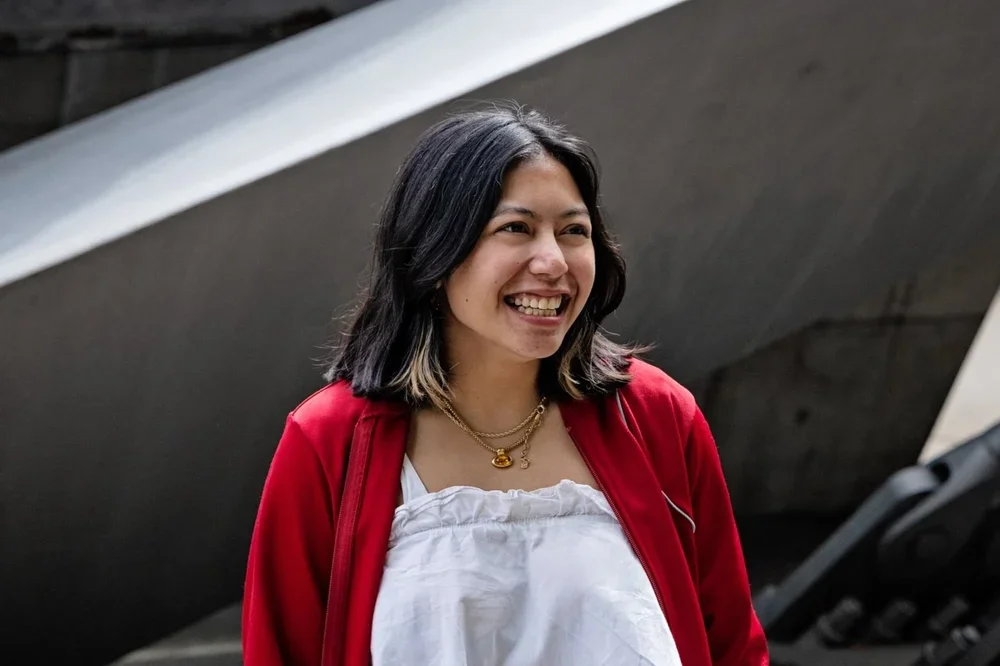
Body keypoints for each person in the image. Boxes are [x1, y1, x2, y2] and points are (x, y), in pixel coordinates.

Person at [242, 104, 769, 666]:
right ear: (435, 251)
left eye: (573, 231)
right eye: (515, 228)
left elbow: (733, 646)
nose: (552, 261)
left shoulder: (658, 415)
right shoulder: (330, 439)